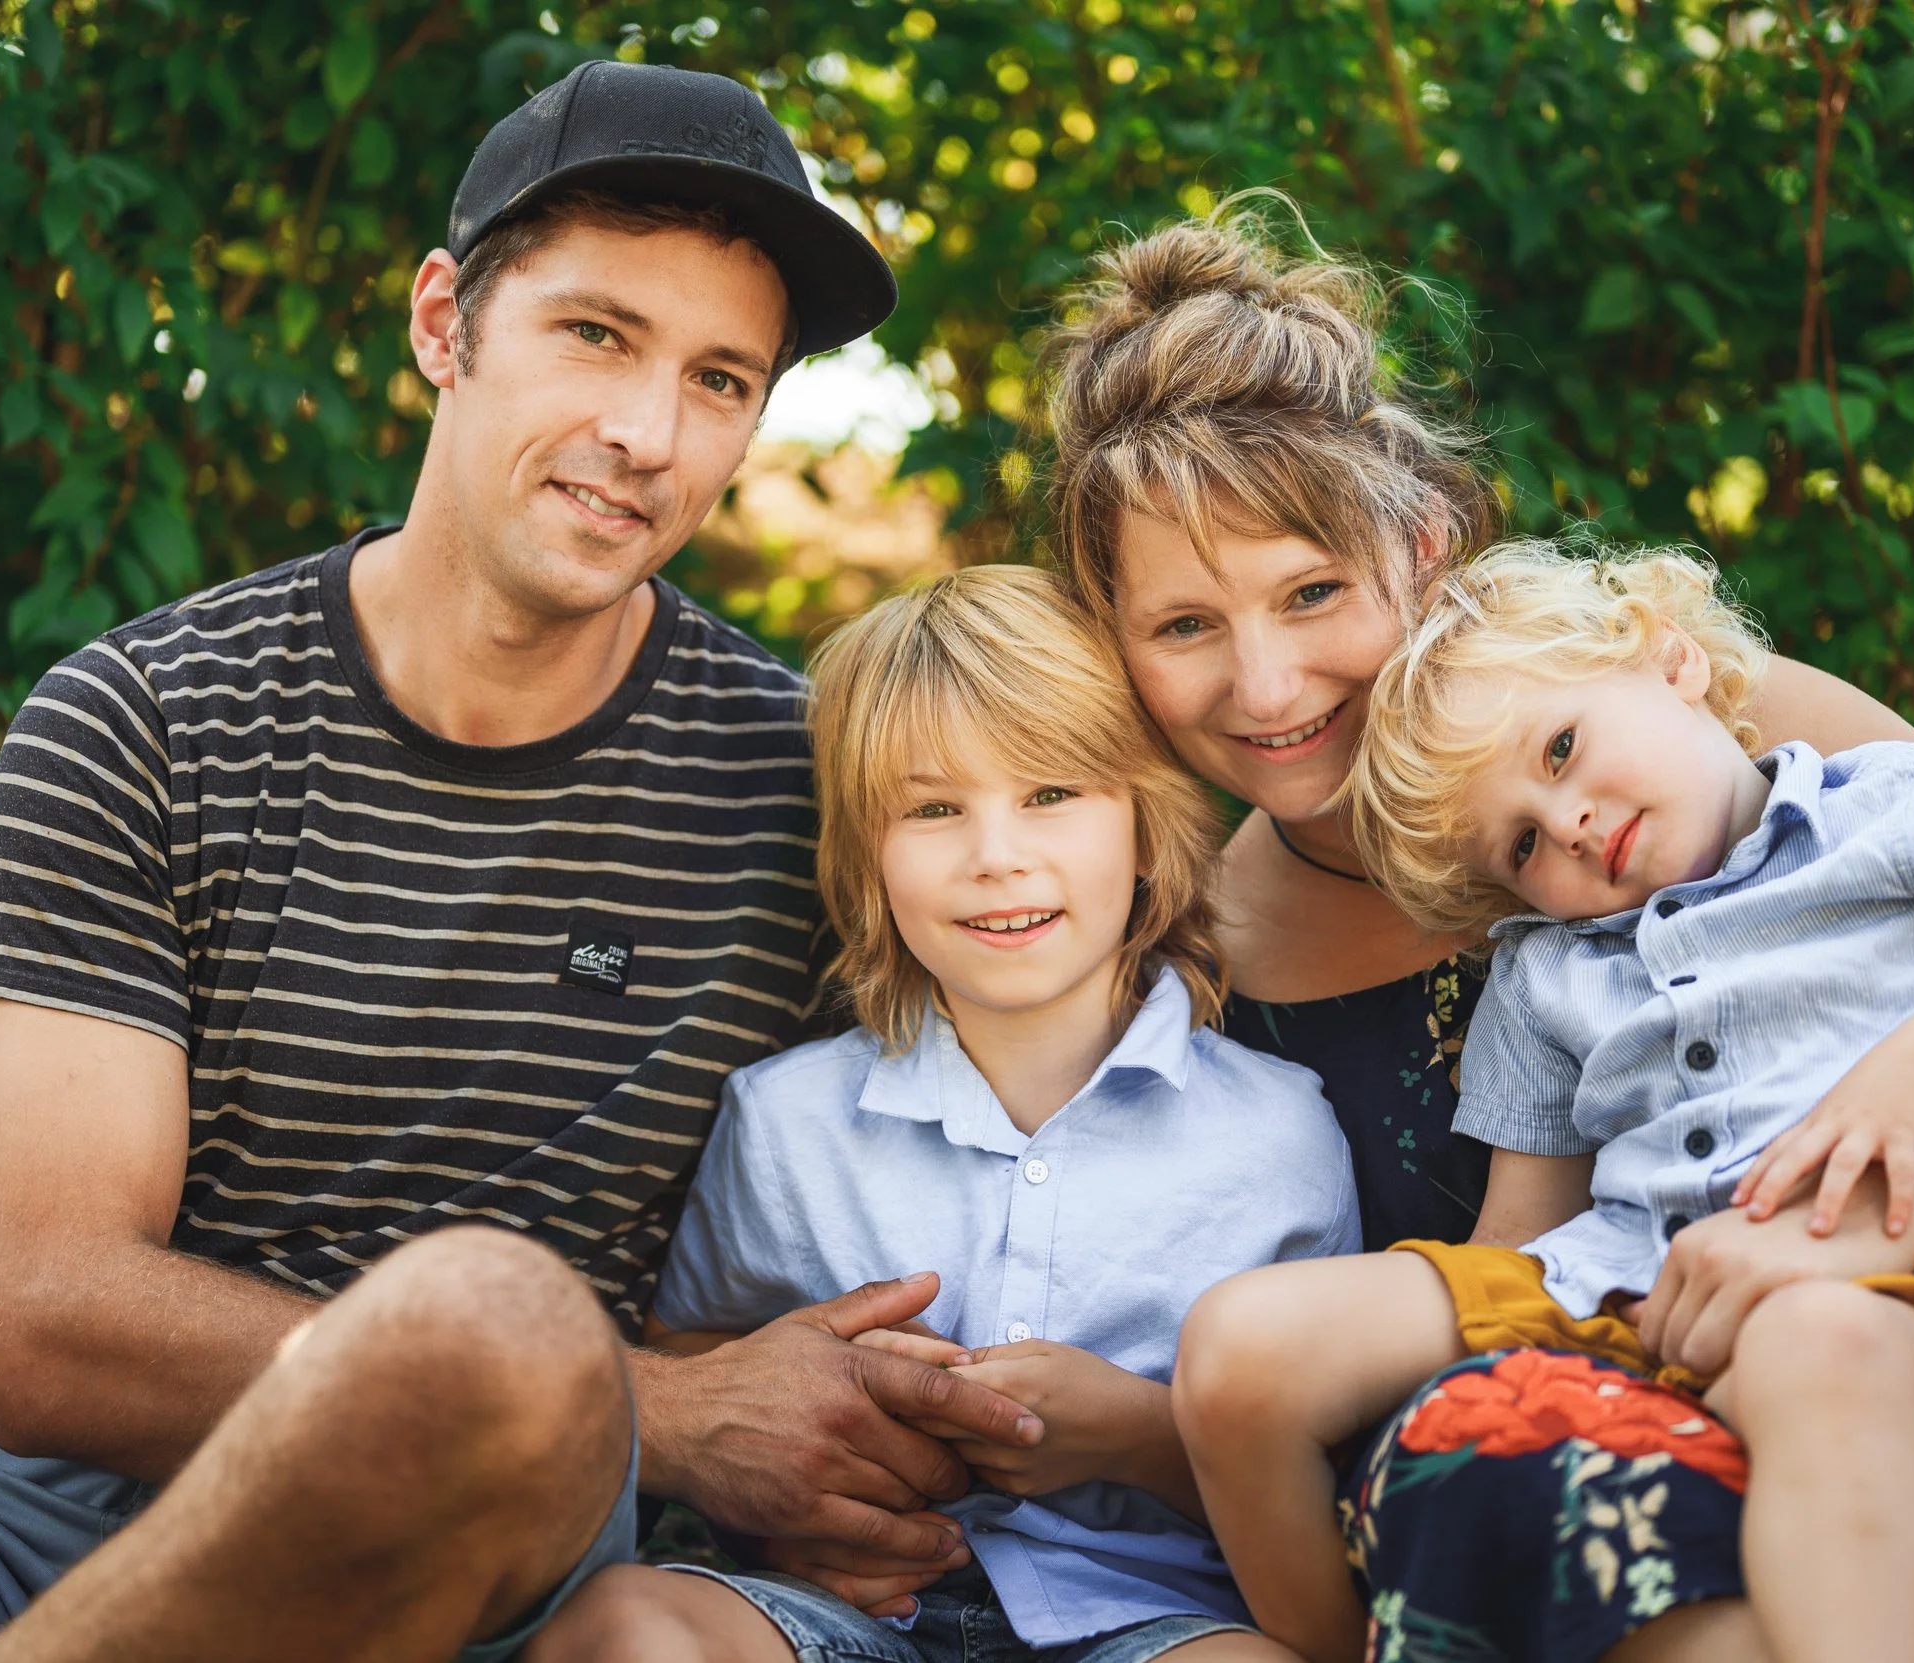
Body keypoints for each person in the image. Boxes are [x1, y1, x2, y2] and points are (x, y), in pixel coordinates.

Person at [0, 63, 1045, 1663]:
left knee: (506, 1324)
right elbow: (48, 1322)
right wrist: (654, 1407)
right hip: (61, 1529)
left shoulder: (813, 787)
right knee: (495, 1337)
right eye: (595, 334)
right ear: (444, 321)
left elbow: (1101, 973)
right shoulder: (148, 716)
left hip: (516, 1567)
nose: (646, 432)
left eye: (722, 378)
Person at [1007, 209, 1914, 1663]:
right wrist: (1143, 1420)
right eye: (1182, 626)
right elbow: (1387, 1363)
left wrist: (1842, 1240)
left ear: (1421, 539)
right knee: (1550, 1493)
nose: (1266, 679)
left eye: (1313, 590)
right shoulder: (1180, 941)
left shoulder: (1714, 720)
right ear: (1116, 641)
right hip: (1601, 1446)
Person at [1172, 541, 1914, 1663]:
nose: (1571, 822)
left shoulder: (1888, 809)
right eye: (1523, 843)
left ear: (1670, 657)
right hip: (1626, 1284)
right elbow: (1520, 1238)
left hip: (1864, 1255)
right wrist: (1488, 1385)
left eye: (1561, 747)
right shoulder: (1548, 969)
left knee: (1812, 1351)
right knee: (1239, 1346)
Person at [525, 564, 1355, 1663]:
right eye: (932, 809)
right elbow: (702, 1357)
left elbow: (1336, 1471)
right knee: (622, 1627)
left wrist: (1138, 1435)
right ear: (868, 861)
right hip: (843, 1611)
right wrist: (807, 1487)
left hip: (1151, 1619)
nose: (995, 854)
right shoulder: (785, 1120)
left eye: (1051, 793)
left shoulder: (1280, 1134)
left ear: (1147, 826)